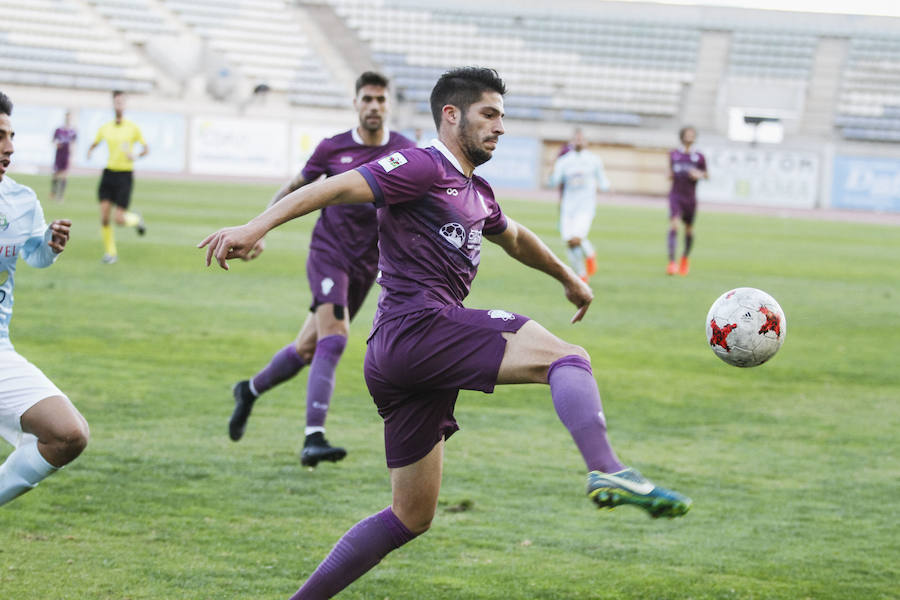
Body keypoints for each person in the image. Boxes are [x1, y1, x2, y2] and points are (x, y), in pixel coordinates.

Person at [199, 67, 691, 599]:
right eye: (490, 114)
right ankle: (608, 470)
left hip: (401, 354)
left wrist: (569, 278)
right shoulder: (420, 165)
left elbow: (517, 238)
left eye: (502, 116)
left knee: (410, 516)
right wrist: (255, 225)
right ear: (451, 115)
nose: (500, 126)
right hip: (419, 327)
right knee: (566, 357)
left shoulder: (475, 189)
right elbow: (333, 187)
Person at [228, 72, 415, 468]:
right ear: (355, 103)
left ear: (389, 106)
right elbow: (295, 187)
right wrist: (257, 228)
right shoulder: (333, 148)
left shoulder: (403, 150)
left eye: (381, 100)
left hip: (369, 263)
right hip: (329, 253)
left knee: (307, 348)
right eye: (367, 98)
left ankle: (249, 389)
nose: (374, 106)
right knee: (336, 336)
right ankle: (314, 437)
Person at [0, 91, 89, 507]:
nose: (9, 148)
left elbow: (32, 255)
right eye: (0, 136)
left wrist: (50, 246)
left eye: (12, 135)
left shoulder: (20, 201)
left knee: (68, 434)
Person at [87, 90, 148, 265]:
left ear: (125, 104)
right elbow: (95, 142)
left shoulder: (132, 128)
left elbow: (146, 148)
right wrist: (90, 150)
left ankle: (136, 220)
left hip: (124, 175)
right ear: (113, 104)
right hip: (109, 174)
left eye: (121, 102)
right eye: (116, 102)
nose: (118, 105)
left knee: (119, 219)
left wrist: (135, 155)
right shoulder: (105, 127)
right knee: (105, 217)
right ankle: (110, 253)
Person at [549, 128, 610, 282]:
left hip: (585, 207)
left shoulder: (593, 160)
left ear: (586, 142)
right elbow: (554, 181)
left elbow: (603, 181)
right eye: (576, 139)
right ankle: (581, 274)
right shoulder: (564, 161)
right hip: (568, 207)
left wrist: (605, 186)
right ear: (571, 142)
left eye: (581, 139)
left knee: (577, 238)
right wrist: (552, 175)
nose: (578, 142)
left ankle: (589, 254)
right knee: (569, 242)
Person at [666, 126, 707, 276]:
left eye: (692, 134)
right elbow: (670, 171)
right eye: (687, 134)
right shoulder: (674, 154)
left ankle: (684, 259)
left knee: (689, 229)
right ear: (682, 136)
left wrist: (699, 174)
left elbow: (706, 174)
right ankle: (671, 262)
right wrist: (669, 174)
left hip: (690, 197)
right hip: (676, 195)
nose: (690, 136)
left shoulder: (699, 156)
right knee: (674, 225)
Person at [50, 111, 77, 202]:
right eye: (67, 117)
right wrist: (56, 144)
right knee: (56, 174)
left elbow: (73, 144)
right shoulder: (58, 130)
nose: (68, 119)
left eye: (70, 117)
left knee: (64, 175)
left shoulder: (73, 131)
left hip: (66, 155)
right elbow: (53, 141)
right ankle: (53, 192)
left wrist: (71, 156)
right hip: (59, 154)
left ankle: (60, 196)